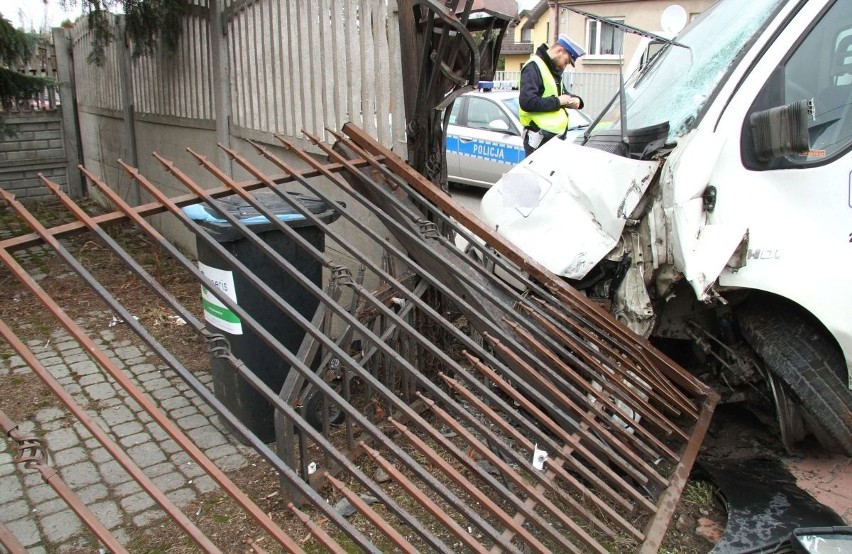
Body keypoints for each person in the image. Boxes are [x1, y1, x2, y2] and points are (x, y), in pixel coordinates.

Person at [519, 34, 586, 156]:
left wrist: (577, 101)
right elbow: (527, 102)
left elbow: (560, 94)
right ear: (559, 50)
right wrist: (558, 101)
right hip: (539, 140)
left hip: (552, 139)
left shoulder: (551, 70)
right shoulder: (533, 66)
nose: (564, 66)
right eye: (566, 61)